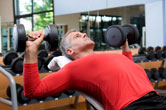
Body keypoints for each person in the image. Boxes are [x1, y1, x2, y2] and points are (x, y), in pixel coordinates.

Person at [23, 29, 166, 110]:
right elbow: (32, 91)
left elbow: (129, 68)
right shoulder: (74, 69)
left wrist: (124, 44)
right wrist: (31, 50)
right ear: (70, 51)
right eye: (77, 36)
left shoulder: (111, 56)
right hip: (138, 107)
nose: (84, 34)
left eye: (82, 33)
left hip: (157, 98)